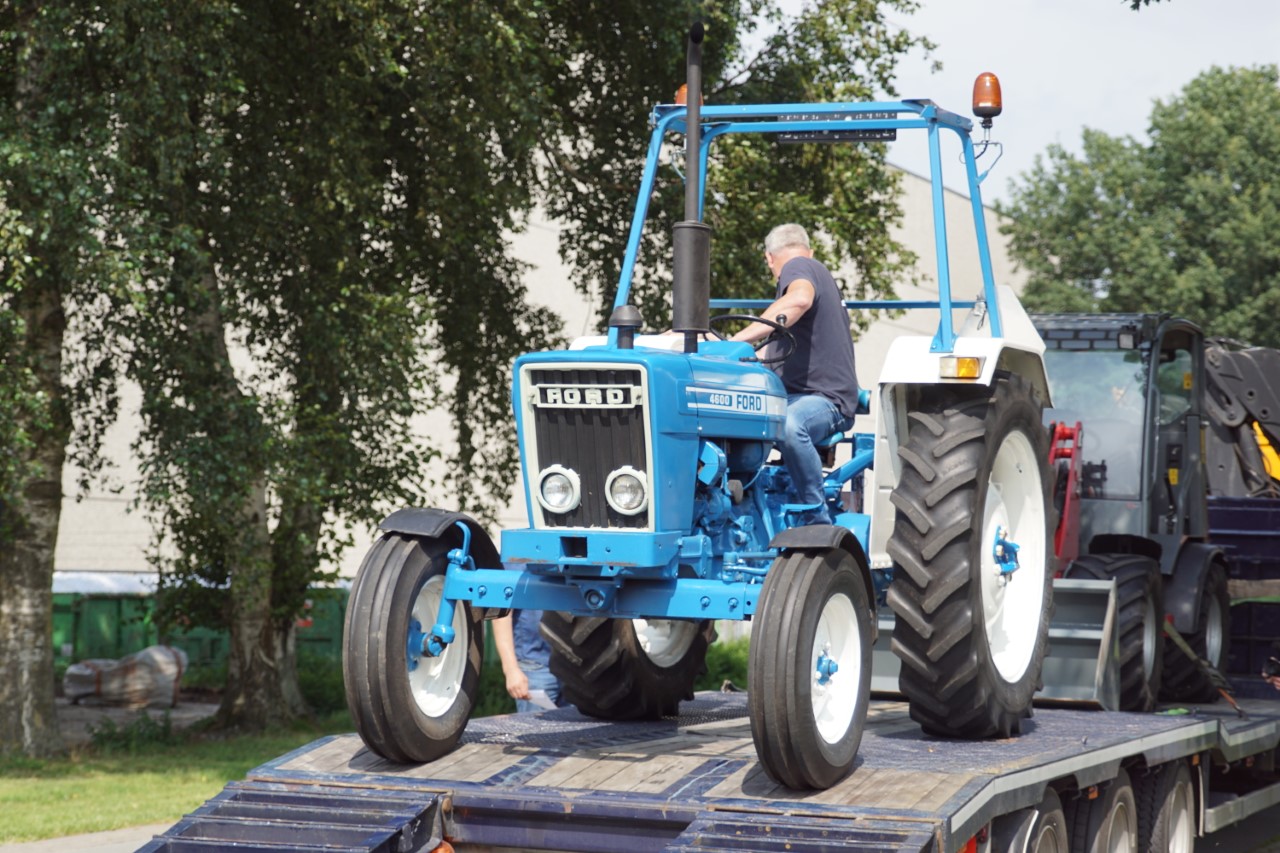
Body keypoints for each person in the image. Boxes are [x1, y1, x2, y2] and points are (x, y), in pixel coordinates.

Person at [731, 223, 859, 525]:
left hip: (826, 401)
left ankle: (815, 515)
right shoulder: (810, 275)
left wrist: (737, 340)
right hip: (793, 395)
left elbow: (799, 299)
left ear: (769, 259)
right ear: (809, 248)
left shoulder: (799, 267)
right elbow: (766, 355)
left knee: (788, 424)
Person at [492, 608, 563, 712]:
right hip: (535, 667)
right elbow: (501, 617)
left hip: (571, 669)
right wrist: (511, 670)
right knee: (537, 726)